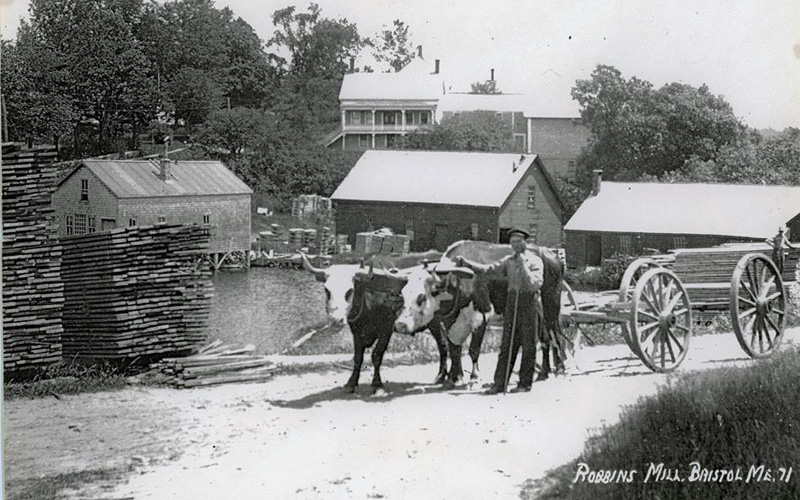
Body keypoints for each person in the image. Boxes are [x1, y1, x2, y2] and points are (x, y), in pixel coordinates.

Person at [458, 228, 544, 394]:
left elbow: (535, 284)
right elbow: (489, 269)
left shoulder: (535, 261)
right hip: (512, 303)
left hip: (529, 303)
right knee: (507, 344)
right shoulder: (508, 261)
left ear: (526, 242)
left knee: (528, 345)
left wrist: (523, 265)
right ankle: (500, 383)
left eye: (519, 241)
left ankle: (525, 384)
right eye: (512, 242)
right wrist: (469, 264)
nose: (516, 245)